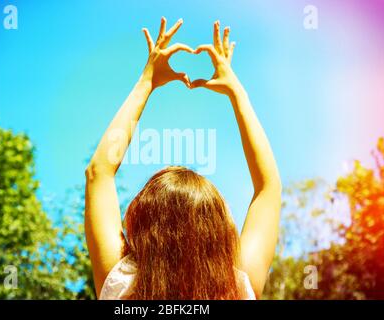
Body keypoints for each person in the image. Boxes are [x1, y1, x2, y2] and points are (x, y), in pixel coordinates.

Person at [84, 17, 282, 300]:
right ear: (219, 230)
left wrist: (147, 82)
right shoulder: (239, 287)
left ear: (143, 225)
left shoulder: (122, 286)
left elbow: (98, 174)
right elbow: (269, 187)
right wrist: (238, 93)